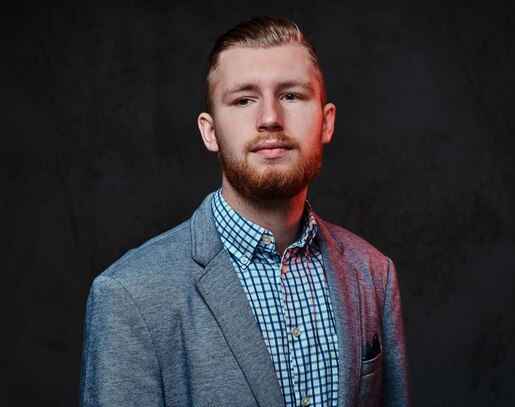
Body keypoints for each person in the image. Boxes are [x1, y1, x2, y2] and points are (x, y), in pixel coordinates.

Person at [80, 16, 411, 407]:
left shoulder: (373, 273)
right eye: (243, 100)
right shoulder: (129, 295)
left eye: (291, 95)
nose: (270, 117)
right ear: (210, 131)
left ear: (326, 122)